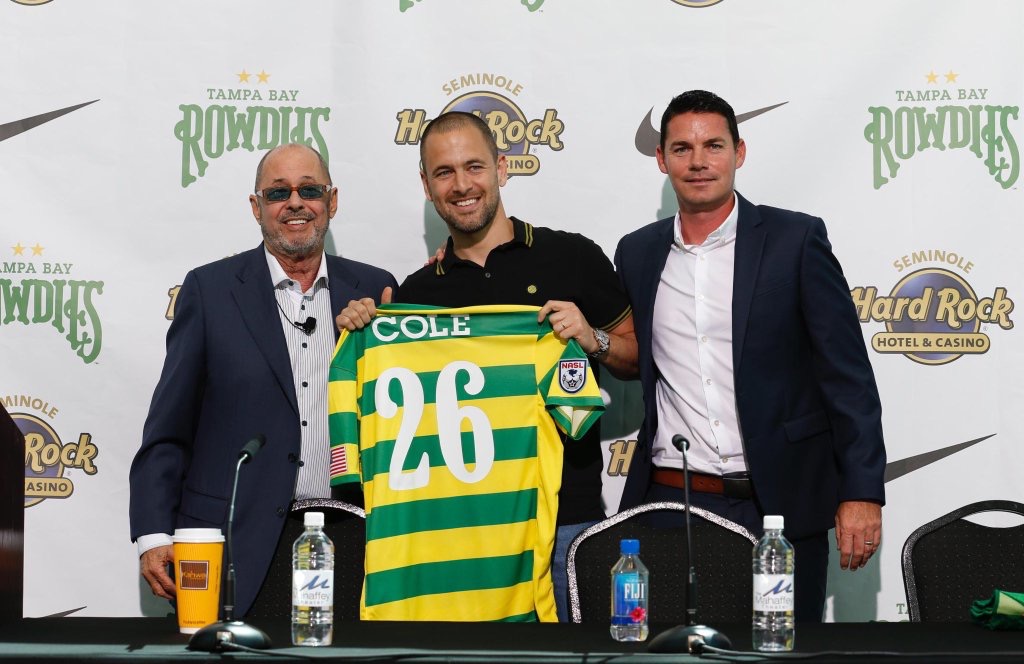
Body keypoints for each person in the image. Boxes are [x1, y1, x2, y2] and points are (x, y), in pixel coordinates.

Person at [336, 111, 637, 621]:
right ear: (427, 186)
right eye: (444, 172)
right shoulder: (416, 295)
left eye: (473, 166)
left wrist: (594, 338)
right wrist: (368, 329)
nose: (461, 185)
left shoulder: (572, 256)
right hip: (456, 536)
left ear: (502, 168)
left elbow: (637, 359)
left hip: (563, 525)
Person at [614, 90, 886, 621]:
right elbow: (620, 340)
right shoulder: (637, 252)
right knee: (669, 652)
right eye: (682, 148)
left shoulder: (795, 240)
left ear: (739, 152)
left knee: (781, 649)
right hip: (671, 504)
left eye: (714, 145)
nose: (698, 161)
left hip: (779, 507)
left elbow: (848, 377)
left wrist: (861, 491)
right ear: (662, 159)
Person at [129, 143, 397, 618]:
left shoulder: (375, 292)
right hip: (238, 542)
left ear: (332, 201)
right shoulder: (210, 291)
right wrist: (153, 533)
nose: (295, 203)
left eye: (309, 190)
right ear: (256, 207)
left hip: (354, 539)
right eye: (277, 193)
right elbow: (169, 428)